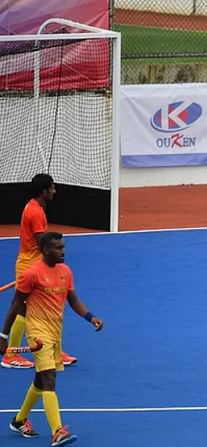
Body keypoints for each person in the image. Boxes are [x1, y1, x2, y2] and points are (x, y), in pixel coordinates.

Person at [0, 232, 104, 446]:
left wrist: (90, 317)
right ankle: (57, 431)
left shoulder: (65, 271)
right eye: (58, 248)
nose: (63, 251)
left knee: (40, 379)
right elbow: (15, 305)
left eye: (63, 247)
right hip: (38, 333)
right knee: (49, 379)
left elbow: (73, 299)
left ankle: (19, 420)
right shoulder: (31, 274)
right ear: (46, 250)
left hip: (56, 331)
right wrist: (4, 335)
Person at [2, 174, 77, 370]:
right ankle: (10, 354)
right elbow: (43, 244)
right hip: (30, 266)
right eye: (52, 188)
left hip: (30, 263)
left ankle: (52, 349)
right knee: (23, 310)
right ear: (44, 191)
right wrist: (54, 263)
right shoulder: (35, 213)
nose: (54, 191)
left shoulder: (34, 207)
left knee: (42, 308)